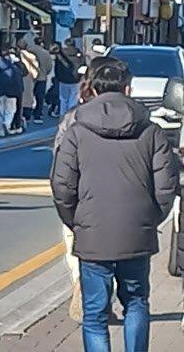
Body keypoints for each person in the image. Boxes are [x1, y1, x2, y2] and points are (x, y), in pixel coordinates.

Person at [51, 60, 178, 351]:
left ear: (93, 89)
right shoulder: (151, 132)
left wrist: (77, 221)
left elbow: (62, 186)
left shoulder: (76, 131)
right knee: (136, 303)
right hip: (137, 232)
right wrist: (149, 220)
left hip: (92, 233)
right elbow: (166, 187)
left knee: (94, 314)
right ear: (128, 88)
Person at [53, 55, 121, 323]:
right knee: (115, 254)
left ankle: (84, 289)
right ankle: (101, 301)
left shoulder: (72, 118)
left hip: (81, 199)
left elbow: (60, 165)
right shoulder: (137, 117)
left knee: (77, 252)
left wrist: (65, 204)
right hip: (119, 199)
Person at [0, 45, 24, 137]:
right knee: (10, 110)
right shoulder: (13, 64)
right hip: (11, 91)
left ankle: (0, 131)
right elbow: (23, 72)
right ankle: (7, 123)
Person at [27, 36, 54, 124]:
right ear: (42, 43)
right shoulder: (45, 53)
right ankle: (37, 115)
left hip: (30, 77)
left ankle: (27, 113)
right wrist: (45, 73)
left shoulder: (29, 50)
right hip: (42, 77)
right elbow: (49, 66)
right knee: (40, 97)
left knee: (29, 95)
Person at [55, 38, 84, 114]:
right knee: (73, 98)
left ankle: (63, 114)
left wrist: (58, 77)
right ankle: (71, 114)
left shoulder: (61, 54)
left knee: (63, 99)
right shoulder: (79, 54)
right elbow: (83, 66)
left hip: (63, 79)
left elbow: (57, 67)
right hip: (75, 79)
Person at [16, 38, 40, 123]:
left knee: (20, 96)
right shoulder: (32, 56)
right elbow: (36, 68)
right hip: (29, 77)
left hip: (18, 77)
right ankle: (27, 114)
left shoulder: (16, 56)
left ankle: (19, 115)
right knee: (28, 96)